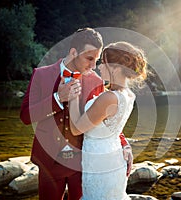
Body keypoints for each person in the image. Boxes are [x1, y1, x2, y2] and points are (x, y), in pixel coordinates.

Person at [19, 28, 133, 200]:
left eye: (97, 59)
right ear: (73, 52)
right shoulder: (41, 75)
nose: (94, 66)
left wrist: (124, 143)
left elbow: (104, 118)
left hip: (83, 164)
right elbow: (26, 116)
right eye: (89, 58)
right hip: (49, 162)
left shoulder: (96, 81)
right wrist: (58, 98)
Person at [69, 41, 148, 200]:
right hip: (113, 157)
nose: (99, 67)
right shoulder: (129, 95)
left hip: (99, 162)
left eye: (104, 63)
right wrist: (125, 144)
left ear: (116, 69)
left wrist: (72, 98)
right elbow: (112, 127)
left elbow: (76, 129)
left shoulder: (109, 98)